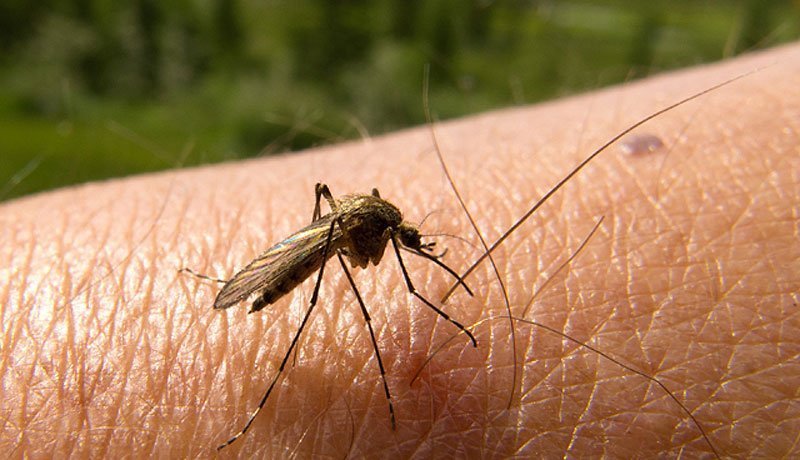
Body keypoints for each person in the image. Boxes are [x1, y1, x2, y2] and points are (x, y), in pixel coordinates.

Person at [1, 42, 797, 457]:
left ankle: (245, 286)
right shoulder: (361, 229)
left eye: (401, 239)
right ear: (383, 228)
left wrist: (403, 245)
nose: (406, 248)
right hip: (304, 253)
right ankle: (257, 343)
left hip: (333, 227)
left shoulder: (378, 219)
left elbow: (381, 238)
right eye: (404, 241)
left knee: (336, 269)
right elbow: (387, 273)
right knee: (314, 298)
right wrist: (378, 277)